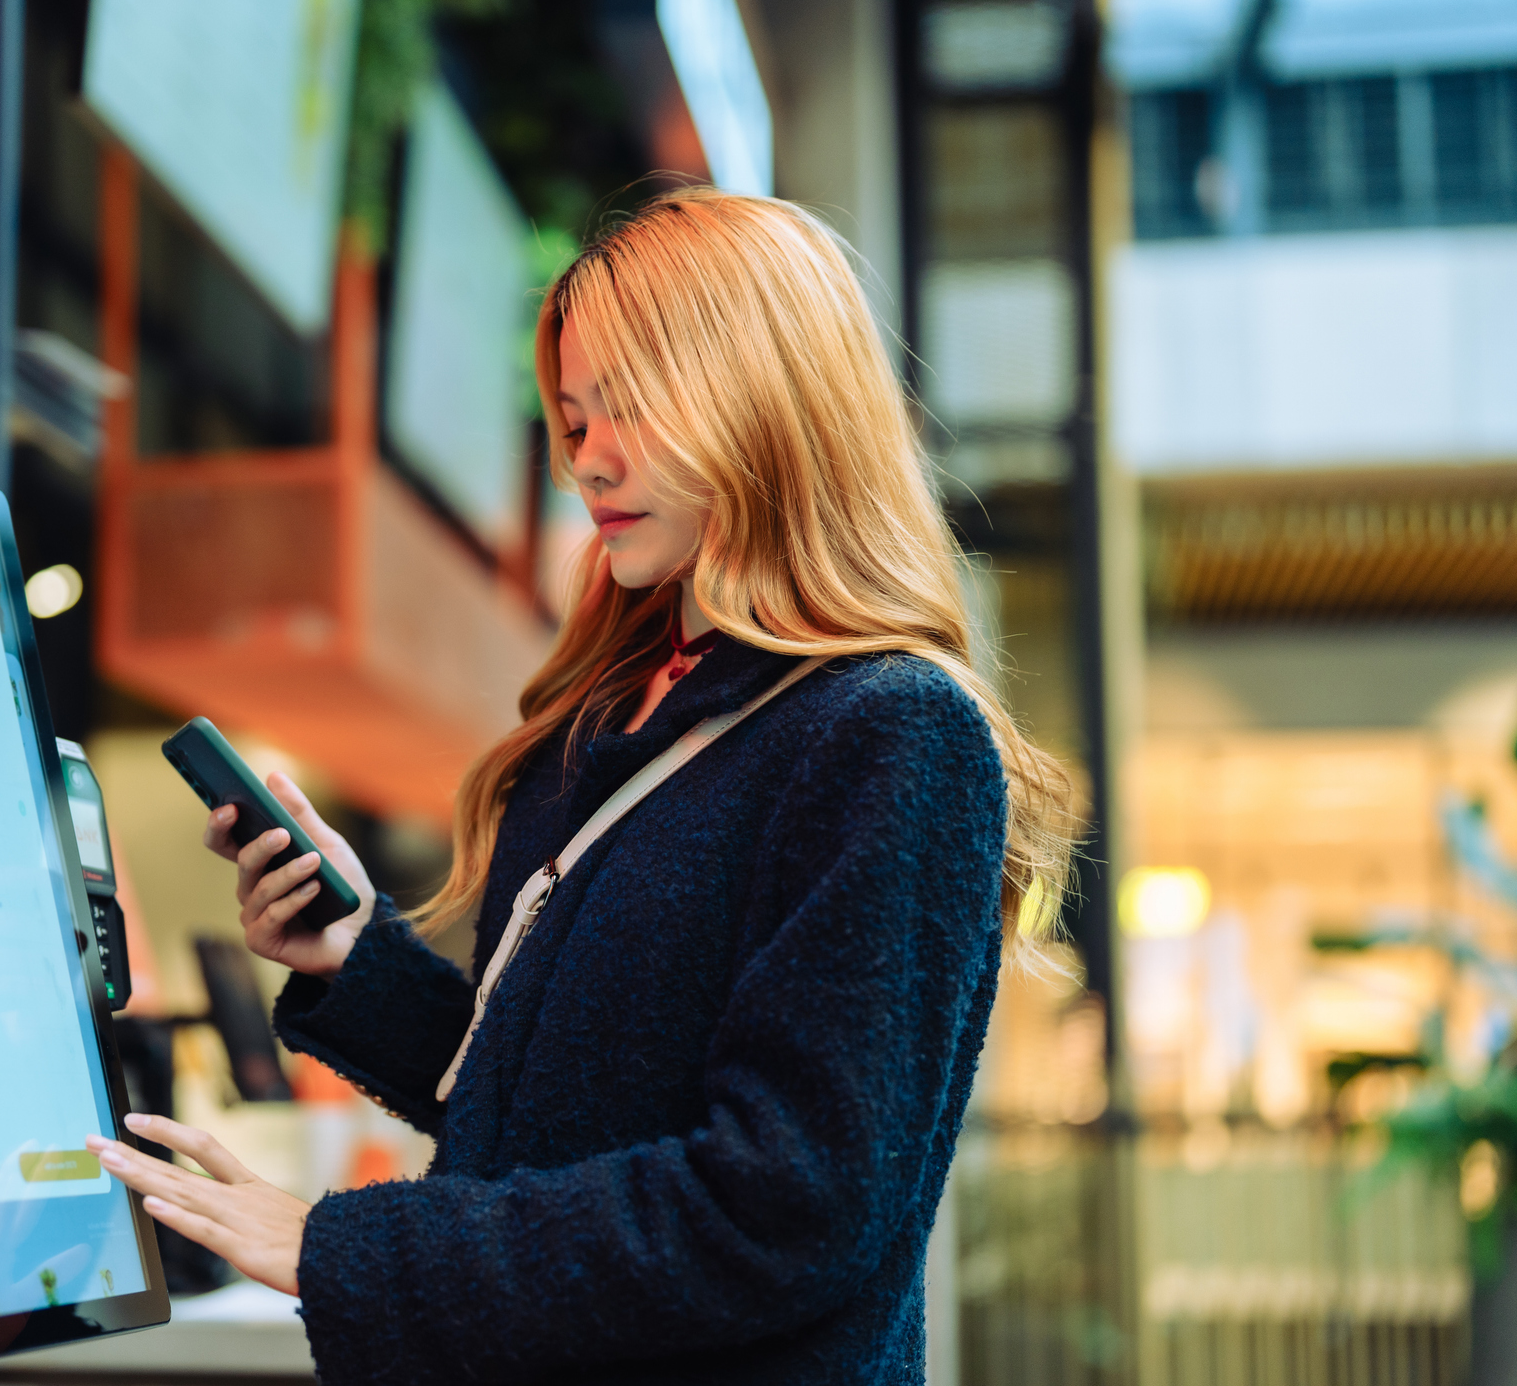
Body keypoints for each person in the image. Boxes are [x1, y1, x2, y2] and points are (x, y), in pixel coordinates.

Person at [87, 188, 1078, 1385]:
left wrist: (344, 1249)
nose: (589, 459)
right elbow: (550, 1111)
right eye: (572, 418)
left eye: (632, 407)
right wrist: (357, 960)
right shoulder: (616, 718)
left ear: (764, 399)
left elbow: (780, 1210)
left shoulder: (891, 736)